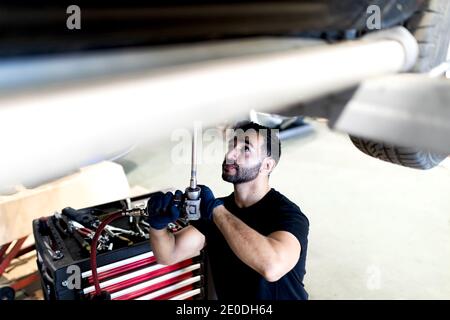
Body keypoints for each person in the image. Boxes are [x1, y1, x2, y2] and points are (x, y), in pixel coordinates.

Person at [146, 121, 309, 300]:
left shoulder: (288, 215)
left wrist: (217, 211)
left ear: (267, 166)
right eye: (232, 145)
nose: (230, 154)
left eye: (245, 148)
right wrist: (157, 225)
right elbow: (168, 254)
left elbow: (271, 267)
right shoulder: (219, 210)